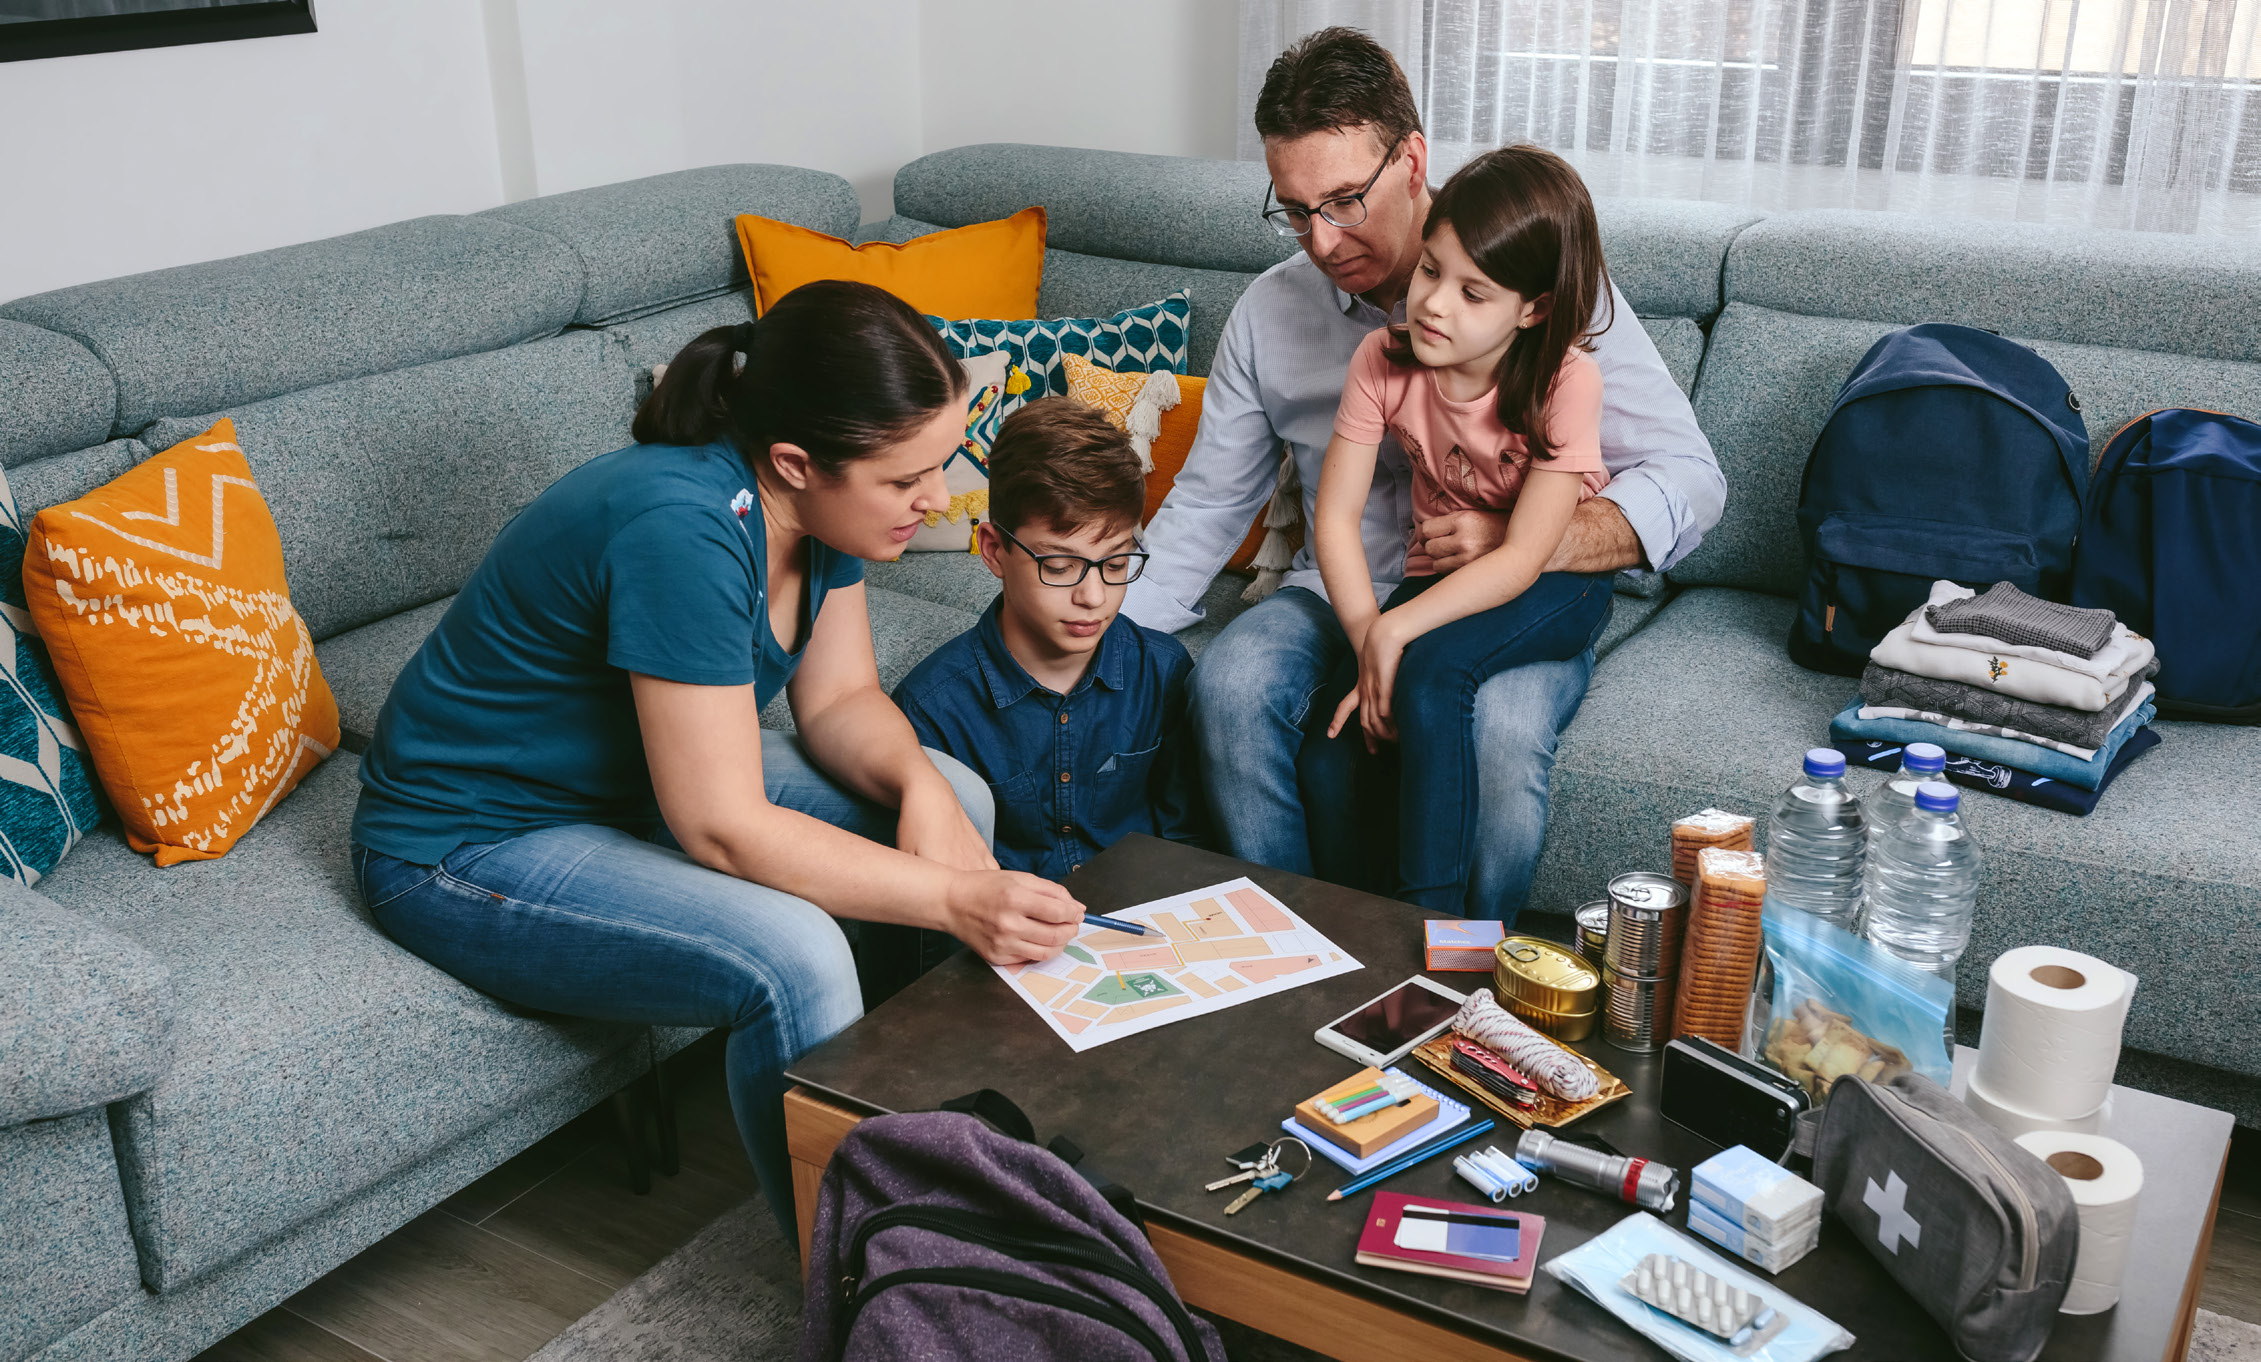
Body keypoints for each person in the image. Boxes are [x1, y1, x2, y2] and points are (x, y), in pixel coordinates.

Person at [348, 281, 1084, 1230]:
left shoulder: (819, 512)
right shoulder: (682, 529)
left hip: (620, 787)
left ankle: (940, 1131)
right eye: (907, 482)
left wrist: (918, 788)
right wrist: (953, 898)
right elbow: (723, 827)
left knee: (953, 792)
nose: (937, 501)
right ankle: (851, 1278)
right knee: (795, 955)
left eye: (938, 467)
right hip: (463, 844)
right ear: (795, 462)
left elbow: (843, 700)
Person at [1122, 27, 1724, 920]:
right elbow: (1209, 503)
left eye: (1344, 201)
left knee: (1502, 734)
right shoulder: (1273, 314)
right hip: (1339, 590)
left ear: (1411, 160)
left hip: (1504, 591)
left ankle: (1463, 983)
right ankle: (1299, 953)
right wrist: (1088, 635)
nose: (1321, 241)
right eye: (1293, 209)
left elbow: (1690, 477)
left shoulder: (1539, 284)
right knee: (1232, 684)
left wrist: (1526, 538)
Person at [1313, 145, 1616, 912]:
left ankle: (1436, 938)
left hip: (1554, 581)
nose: (1434, 304)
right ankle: (1358, 930)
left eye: (1472, 292)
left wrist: (1397, 635)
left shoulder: (1564, 381)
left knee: (1434, 675)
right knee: (1342, 732)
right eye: (1429, 272)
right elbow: (1336, 518)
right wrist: (1365, 638)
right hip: (1438, 575)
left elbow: (1520, 560)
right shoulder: (1382, 359)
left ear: (1533, 308)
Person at [893, 398, 1202, 881]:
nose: (1094, 596)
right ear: (994, 551)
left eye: (1116, 564)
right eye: (1060, 566)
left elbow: (1188, 841)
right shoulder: (931, 708)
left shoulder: (1163, 672)